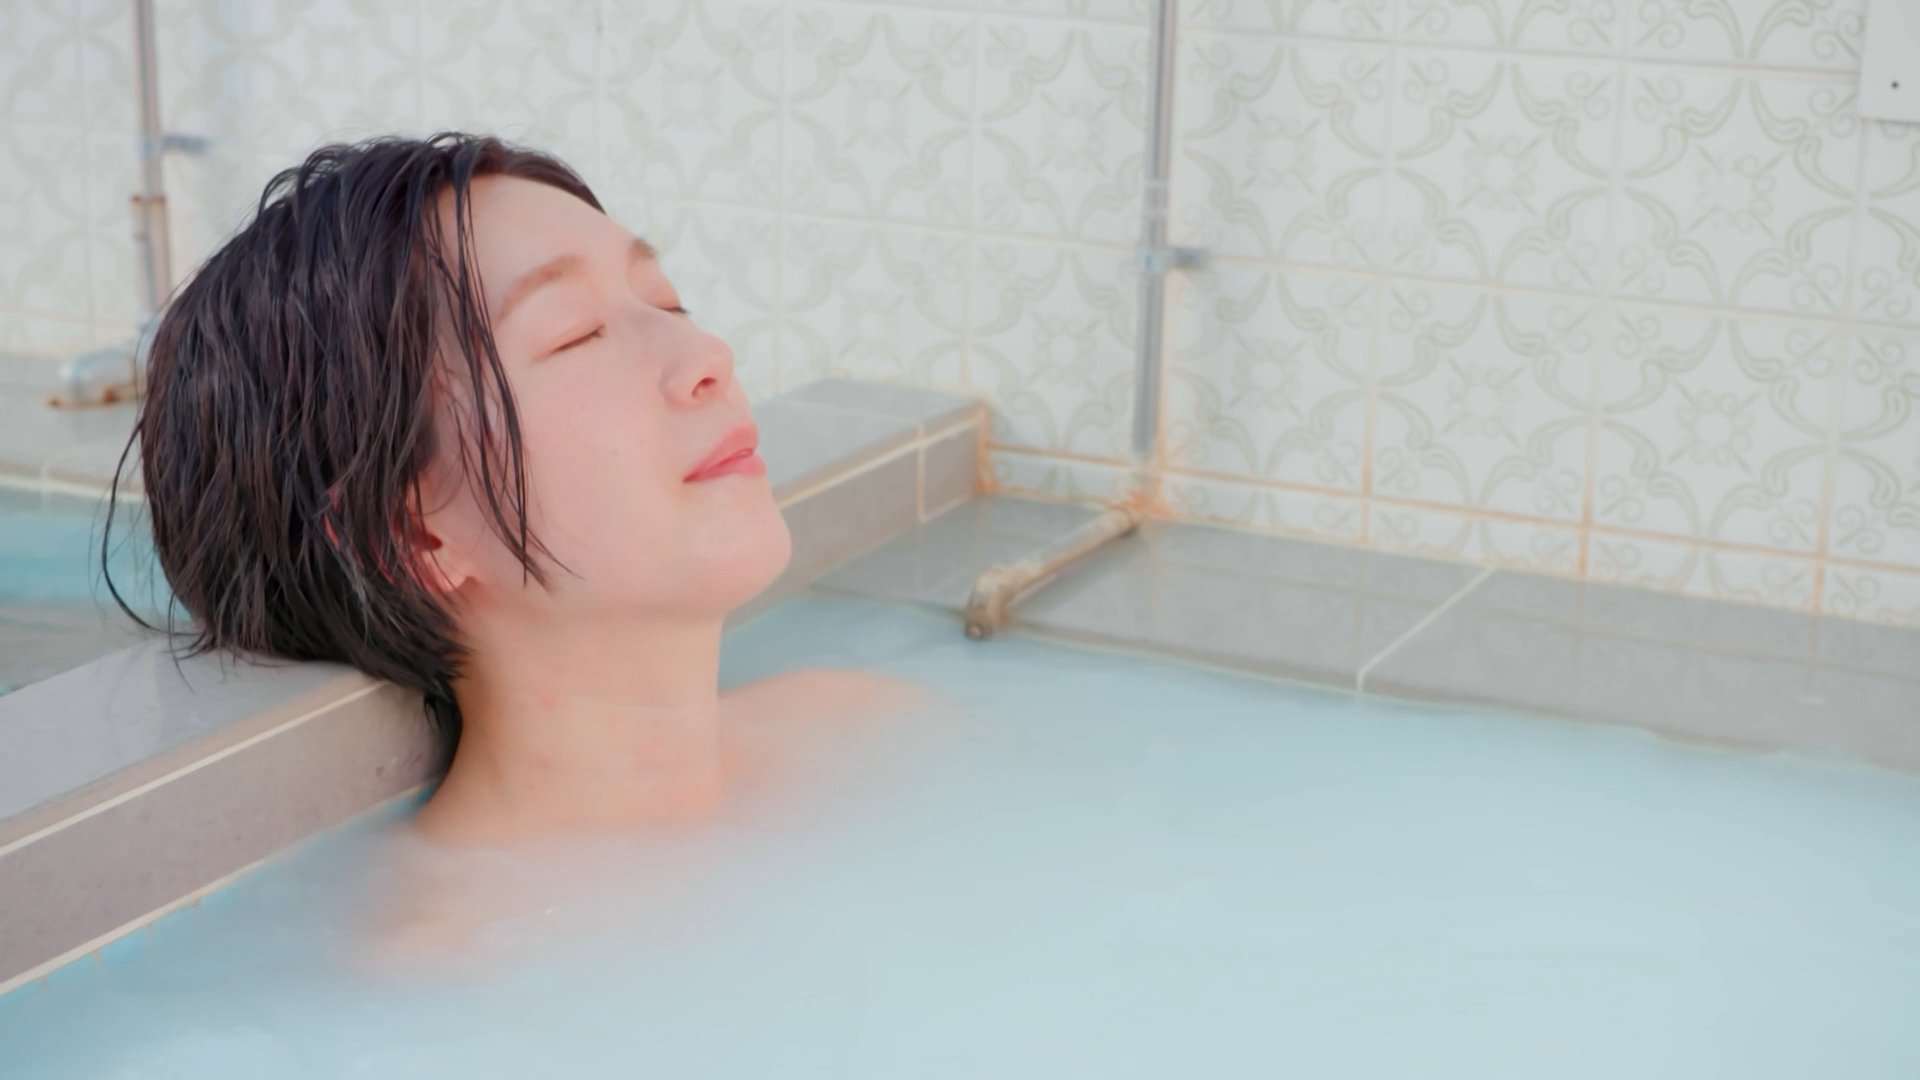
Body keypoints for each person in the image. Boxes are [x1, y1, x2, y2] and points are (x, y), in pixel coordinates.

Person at [109, 133, 915, 849]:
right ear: (413, 535)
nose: (708, 354)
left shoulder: (864, 729)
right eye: (576, 334)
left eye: (667, 302)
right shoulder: (455, 956)